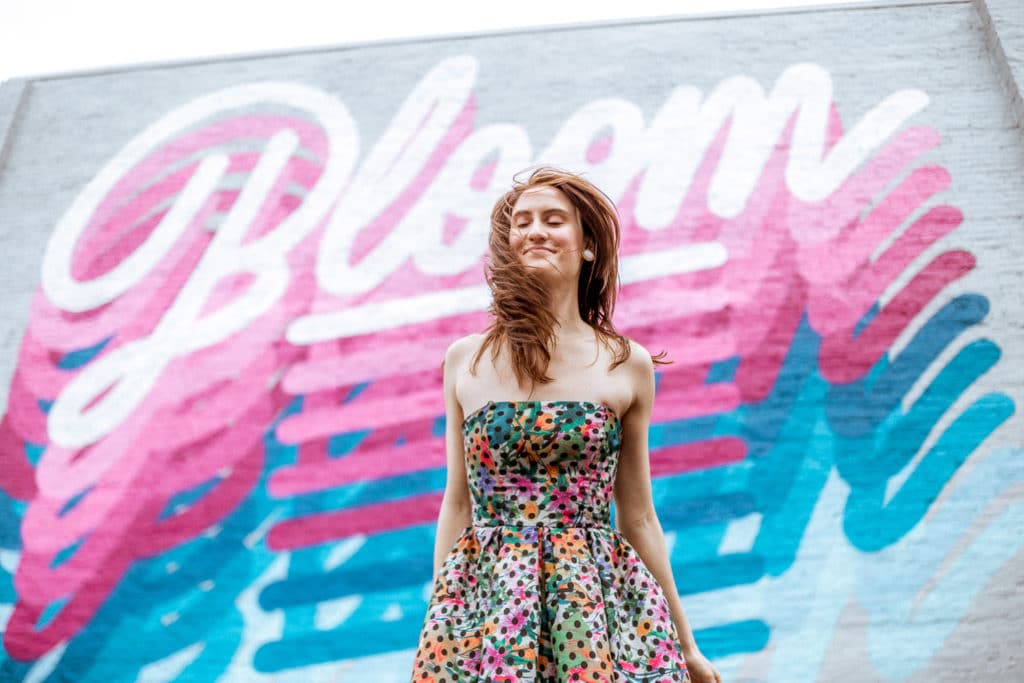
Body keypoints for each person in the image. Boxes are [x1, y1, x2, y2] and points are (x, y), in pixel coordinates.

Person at [411, 165, 721, 683]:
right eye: (522, 222)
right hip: (493, 606)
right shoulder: (465, 359)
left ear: (588, 246)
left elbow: (639, 516)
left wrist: (687, 648)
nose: (535, 231)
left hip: (593, 605)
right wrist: (441, 625)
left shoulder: (627, 363)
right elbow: (458, 502)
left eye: (553, 220)